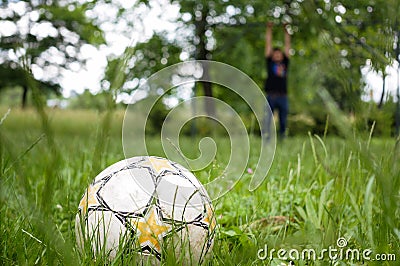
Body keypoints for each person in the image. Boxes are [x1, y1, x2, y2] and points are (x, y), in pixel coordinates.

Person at [263, 21, 291, 139]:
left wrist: (286, 30)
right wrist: (269, 29)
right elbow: (268, 43)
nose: (277, 55)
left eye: (279, 54)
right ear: (273, 55)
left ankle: (282, 138)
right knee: (268, 120)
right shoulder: (270, 63)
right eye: (275, 54)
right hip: (271, 96)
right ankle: (266, 139)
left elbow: (287, 44)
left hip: (283, 96)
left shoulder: (285, 62)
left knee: (283, 120)